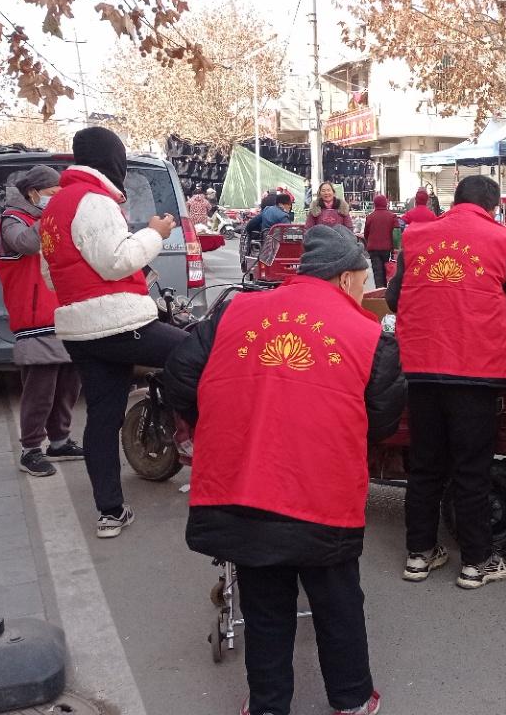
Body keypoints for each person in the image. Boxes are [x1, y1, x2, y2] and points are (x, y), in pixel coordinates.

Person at [162, 225, 404, 715]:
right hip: (322, 491)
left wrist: (226, 423)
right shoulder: (369, 337)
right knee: (337, 600)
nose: (364, 289)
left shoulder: (235, 311)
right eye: (363, 279)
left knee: (265, 603)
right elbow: (380, 421)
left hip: (241, 483)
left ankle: (269, 706)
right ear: (344, 279)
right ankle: (353, 700)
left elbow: (177, 380)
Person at [42, 126, 188, 539]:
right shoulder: (95, 201)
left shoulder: (55, 208)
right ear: (113, 159)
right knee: (198, 351)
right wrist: (155, 234)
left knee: (102, 419)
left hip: (81, 331)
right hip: (121, 324)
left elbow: (52, 276)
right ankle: (198, 445)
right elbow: (115, 261)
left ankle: (111, 512)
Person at [385, 175, 506, 589]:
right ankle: (476, 562)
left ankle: (419, 555)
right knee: (472, 469)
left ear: (454, 201)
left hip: (423, 366)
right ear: (493, 204)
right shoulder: (502, 239)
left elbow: (395, 298)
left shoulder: (416, 236)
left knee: (426, 466)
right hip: (477, 370)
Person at [0, 164, 83, 477]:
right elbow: (27, 244)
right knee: (41, 387)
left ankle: (59, 441)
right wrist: (55, 213)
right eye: (51, 195)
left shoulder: (43, 219)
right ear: (33, 193)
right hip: (34, 316)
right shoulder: (12, 220)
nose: (56, 200)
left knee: (68, 382)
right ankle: (31, 449)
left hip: (63, 312)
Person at [363, 194, 399, 288]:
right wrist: (395, 248)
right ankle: (387, 290)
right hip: (387, 248)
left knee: (377, 271)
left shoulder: (370, 217)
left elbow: (366, 233)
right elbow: (396, 233)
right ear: (385, 203)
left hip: (373, 248)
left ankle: (379, 291)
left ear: (375, 204)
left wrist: (369, 242)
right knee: (387, 270)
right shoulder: (392, 216)